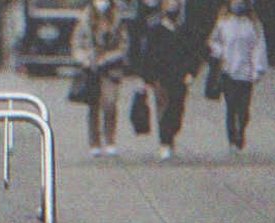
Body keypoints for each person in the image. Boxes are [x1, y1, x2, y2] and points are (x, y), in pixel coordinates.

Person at [142, 0, 200, 160]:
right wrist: (148, 77)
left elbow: (194, 53)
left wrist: (191, 72)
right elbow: (149, 54)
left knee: (177, 108)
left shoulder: (185, 29)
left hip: (180, 76)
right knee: (164, 108)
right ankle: (165, 142)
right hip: (161, 76)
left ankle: (171, 135)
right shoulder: (156, 28)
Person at [208, 0, 268, 153]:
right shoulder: (224, 22)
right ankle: (232, 139)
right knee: (231, 107)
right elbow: (213, 41)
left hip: (246, 73)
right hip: (229, 72)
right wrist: (219, 53)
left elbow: (259, 47)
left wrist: (257, 69)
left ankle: (241, 132)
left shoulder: (253, 25)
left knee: (243, 109)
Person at [72, 0, 129, 157]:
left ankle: (110, 140)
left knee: (110, 103)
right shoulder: (85, 17)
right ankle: (94, 142)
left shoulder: (118, 17)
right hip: (91, 68)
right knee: (93, 106)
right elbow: (77, 43)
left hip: (111, 69)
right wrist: (84, 59)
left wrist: (108, 58)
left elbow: (123, 46)